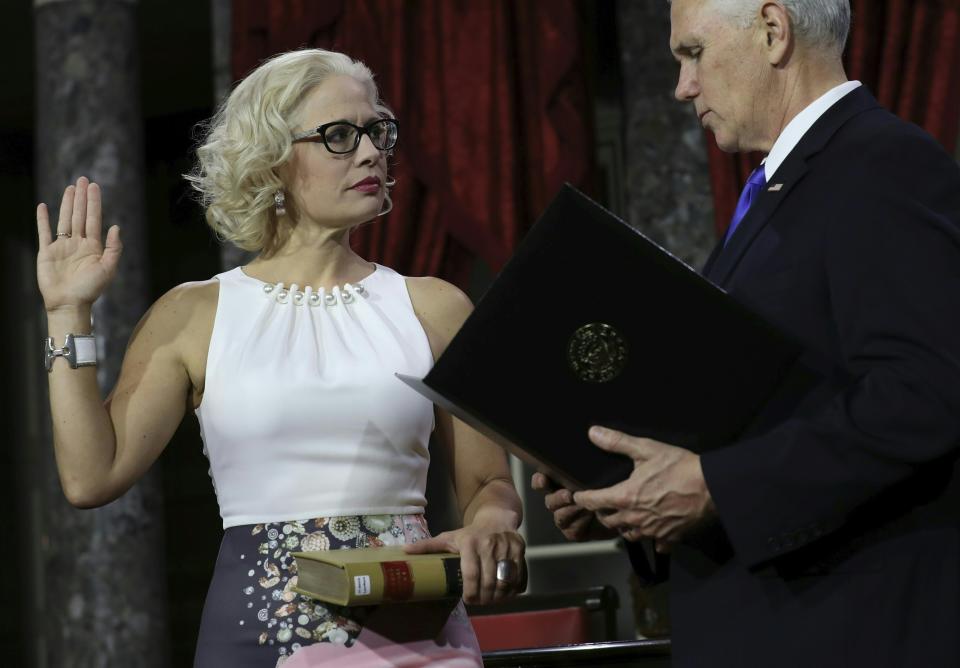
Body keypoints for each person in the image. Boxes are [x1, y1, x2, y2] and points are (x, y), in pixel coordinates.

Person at [37, 48, 527, 667]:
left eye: (378, 131)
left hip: (415, 631)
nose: (372, 151)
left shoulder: (434, 306)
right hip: (257, 634)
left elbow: (488, 484)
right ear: (270, 160)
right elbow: (90, 476)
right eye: (340, 136)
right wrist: (66, 314)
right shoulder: (194, 314)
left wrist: (491, 524)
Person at [534, 0, 960, 665]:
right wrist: (628, 494)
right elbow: (760, 416)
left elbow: (925, 394)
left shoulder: (881, 163)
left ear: (772, 31)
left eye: (693, 53)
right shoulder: (782, 188)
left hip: (848, 632)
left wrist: (714, 488)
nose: (682, 87)